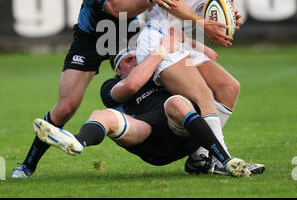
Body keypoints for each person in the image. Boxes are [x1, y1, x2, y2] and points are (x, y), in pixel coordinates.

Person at [11, 0, 180, 178]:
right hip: (91, 38)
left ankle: (196, 149)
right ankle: (27, 166)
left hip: (130, 35)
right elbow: (117, 8)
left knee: (168, 75)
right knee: (66, 107)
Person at [135, 0, 264, 174]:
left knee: (229, 87)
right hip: (158, 38)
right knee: (203, 93)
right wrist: (204, 24)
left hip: (180, 40)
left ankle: (200, 157)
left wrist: (229, 22)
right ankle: (224, 160)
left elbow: (223, 9)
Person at [32, 28, 251, 178]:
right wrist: (162, 49)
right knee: (103, 114)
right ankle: (77, 141)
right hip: (146, 137)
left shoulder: (161, 72)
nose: (137, 61)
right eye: (129, 60)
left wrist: (182, 40)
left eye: (138, 57)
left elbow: (211, 56)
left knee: (176, 102)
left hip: (178, 129)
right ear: (118, 70)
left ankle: (220, 159)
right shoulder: (111, 85)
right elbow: (132, 85)